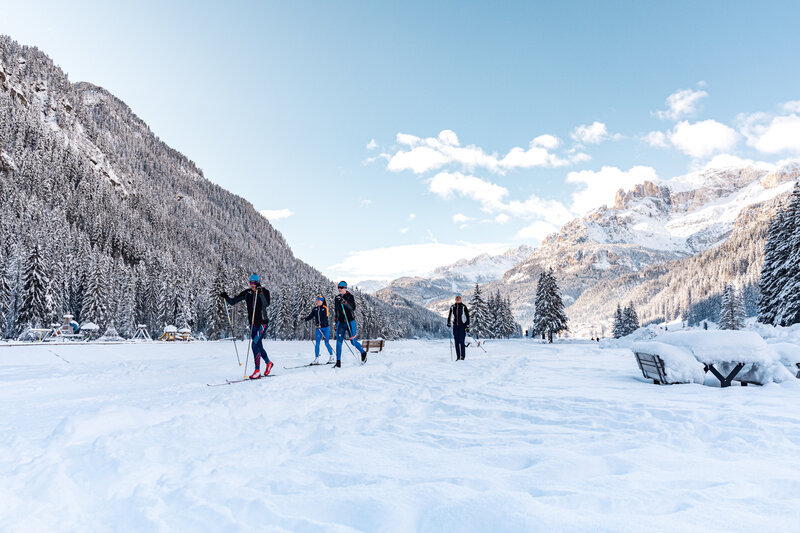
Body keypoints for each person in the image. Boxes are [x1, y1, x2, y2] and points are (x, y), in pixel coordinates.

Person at [220, 274, 272, 378]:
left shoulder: (265, 291)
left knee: (254, 345)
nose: (252, 285)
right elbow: (233, 302)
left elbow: (267, 304)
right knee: (259, 346)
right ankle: (268, 363)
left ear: (258, 282)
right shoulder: (247, 293)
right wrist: (226, 297)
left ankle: (257, 371)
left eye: (253, 283)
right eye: (250, 283)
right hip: (253, 325)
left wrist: (260, 292)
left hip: (263, 323)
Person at [332, 281, 367, 367]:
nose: (339, 289)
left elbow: (353, 307)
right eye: (338, 287)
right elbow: (336, 311)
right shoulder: (337, 298)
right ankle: (338, 362)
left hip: (350, 322)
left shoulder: (350, 296)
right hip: (341, 323)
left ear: (345, 288)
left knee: (353, 342)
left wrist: (345, 302)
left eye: (341, 287)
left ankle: (363, 353)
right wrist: (336, 323)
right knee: (339, 342)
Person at [304, 295, 334, 364]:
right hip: (318, 329)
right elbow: (310, 316)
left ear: (322, 301)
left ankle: (331, 357)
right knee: (317, 343)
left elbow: (325, 318)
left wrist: (320, 324)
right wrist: (304, 319)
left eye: (319, 300)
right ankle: (316, 359)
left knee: (326, 343)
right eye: (317, 300)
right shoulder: (315, 309)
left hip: (326, 328)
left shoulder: (325, 308)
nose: (317, 301)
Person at [447, 293, 470, 361]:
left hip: (462, 326)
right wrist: (448, 322)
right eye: (457, 298)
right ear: (455, 299)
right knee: (456, 342)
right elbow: (449, 316)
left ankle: (462, 356)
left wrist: (467, 326)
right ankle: (458, 357)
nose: (458, 299)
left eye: (459, 298)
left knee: (461, 341)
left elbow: (467, 317)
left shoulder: (464, 307)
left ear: (461, 299)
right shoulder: (452, 307)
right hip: (455, 326)